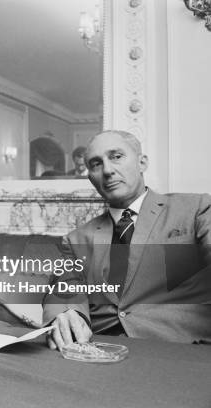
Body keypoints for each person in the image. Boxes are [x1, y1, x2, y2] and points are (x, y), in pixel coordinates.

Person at [43, 130, 211, 349]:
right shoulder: (76, 239)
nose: (108, 170)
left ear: (142, 162)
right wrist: (67, 314)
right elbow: (64, 288)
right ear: (91, 178)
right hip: (99, 349)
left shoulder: (195, 209)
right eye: (96, 164)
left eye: (116, 157)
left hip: (179, 349)